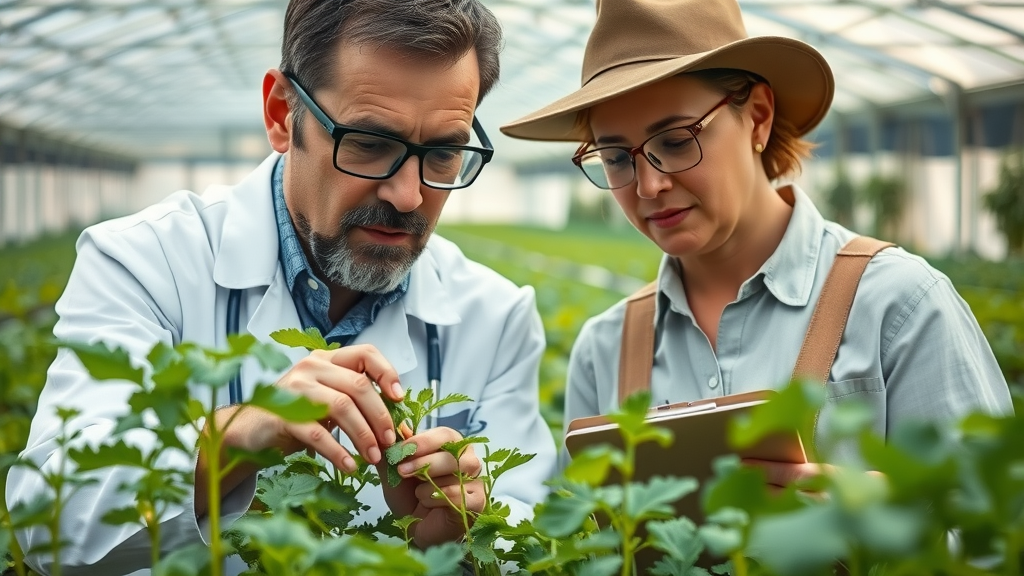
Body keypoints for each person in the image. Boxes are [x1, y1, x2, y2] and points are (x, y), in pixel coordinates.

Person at [8, 0, 557, 573]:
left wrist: (464, 536)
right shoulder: (147, 262)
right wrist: (233, 441)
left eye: (442, 153)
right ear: (281, 113)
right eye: (369, 143)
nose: (408, 196)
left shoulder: (497, 315)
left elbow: (544, 534)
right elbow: (50, 521)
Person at [501, 0, 1011, 485]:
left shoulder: (900, 306)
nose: (648, 185)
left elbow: (992, 534)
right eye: (615, 157)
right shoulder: (604, 348)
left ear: (759, 117)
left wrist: (882, 517)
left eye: (677, 141)